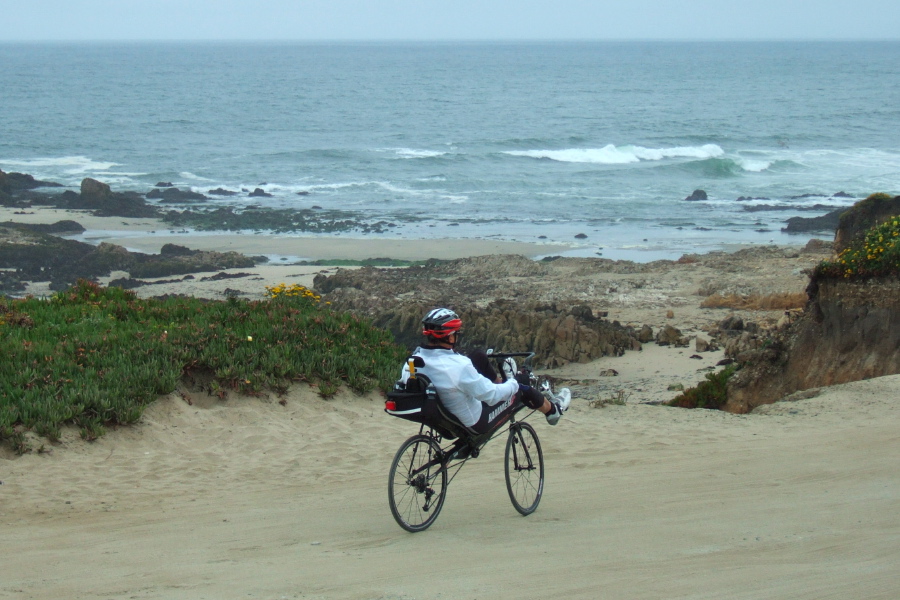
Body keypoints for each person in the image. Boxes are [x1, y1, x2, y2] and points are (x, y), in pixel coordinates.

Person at [400, 307, 569, 434]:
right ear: (450, 336)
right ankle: (553, 411)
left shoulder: (414, 361)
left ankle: (502, 381)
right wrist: (514, 383)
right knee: (522, 383)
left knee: (479, 357)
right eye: (456, 333)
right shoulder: (459, 366)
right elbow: (491, 396)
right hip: (473, 421)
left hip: (443, 412)